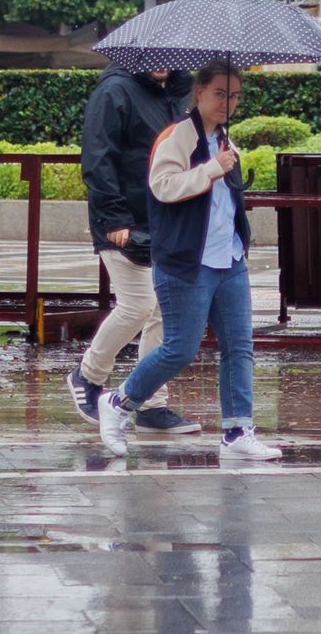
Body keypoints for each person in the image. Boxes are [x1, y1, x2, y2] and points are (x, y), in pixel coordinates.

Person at [97, 60, 282, 461]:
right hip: (186, 261)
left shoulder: (224, 140)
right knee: (180, 349)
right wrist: (213, 168)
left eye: (235, 96)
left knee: (239, 346)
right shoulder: (178, 136)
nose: (227, 103)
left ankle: (238, 431)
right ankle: (119, 403)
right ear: (199, 93)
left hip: (228, 259)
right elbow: (163, 187)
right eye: (220, 93)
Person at [66, 65, 199, 434]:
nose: (162, 61)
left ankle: (151, 403)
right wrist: (113, 219)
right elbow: (98, 157)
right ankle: (88, 375)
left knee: (162, 311)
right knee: (138, 304)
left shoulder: (180, 92)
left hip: (166, 219)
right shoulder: (115, 91)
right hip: (124, 221)